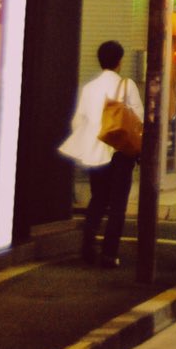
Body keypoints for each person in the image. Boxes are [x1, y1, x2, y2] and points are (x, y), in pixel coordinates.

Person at [59, 40, 143, 268]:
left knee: (97, 200)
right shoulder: (127, 86)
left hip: (96, 154)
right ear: (119, 61)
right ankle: (109, 254)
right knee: (118, 205)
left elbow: (78, 121)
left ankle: (87, 247)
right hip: (121, 153)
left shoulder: (89, 88)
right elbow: (139, 121)